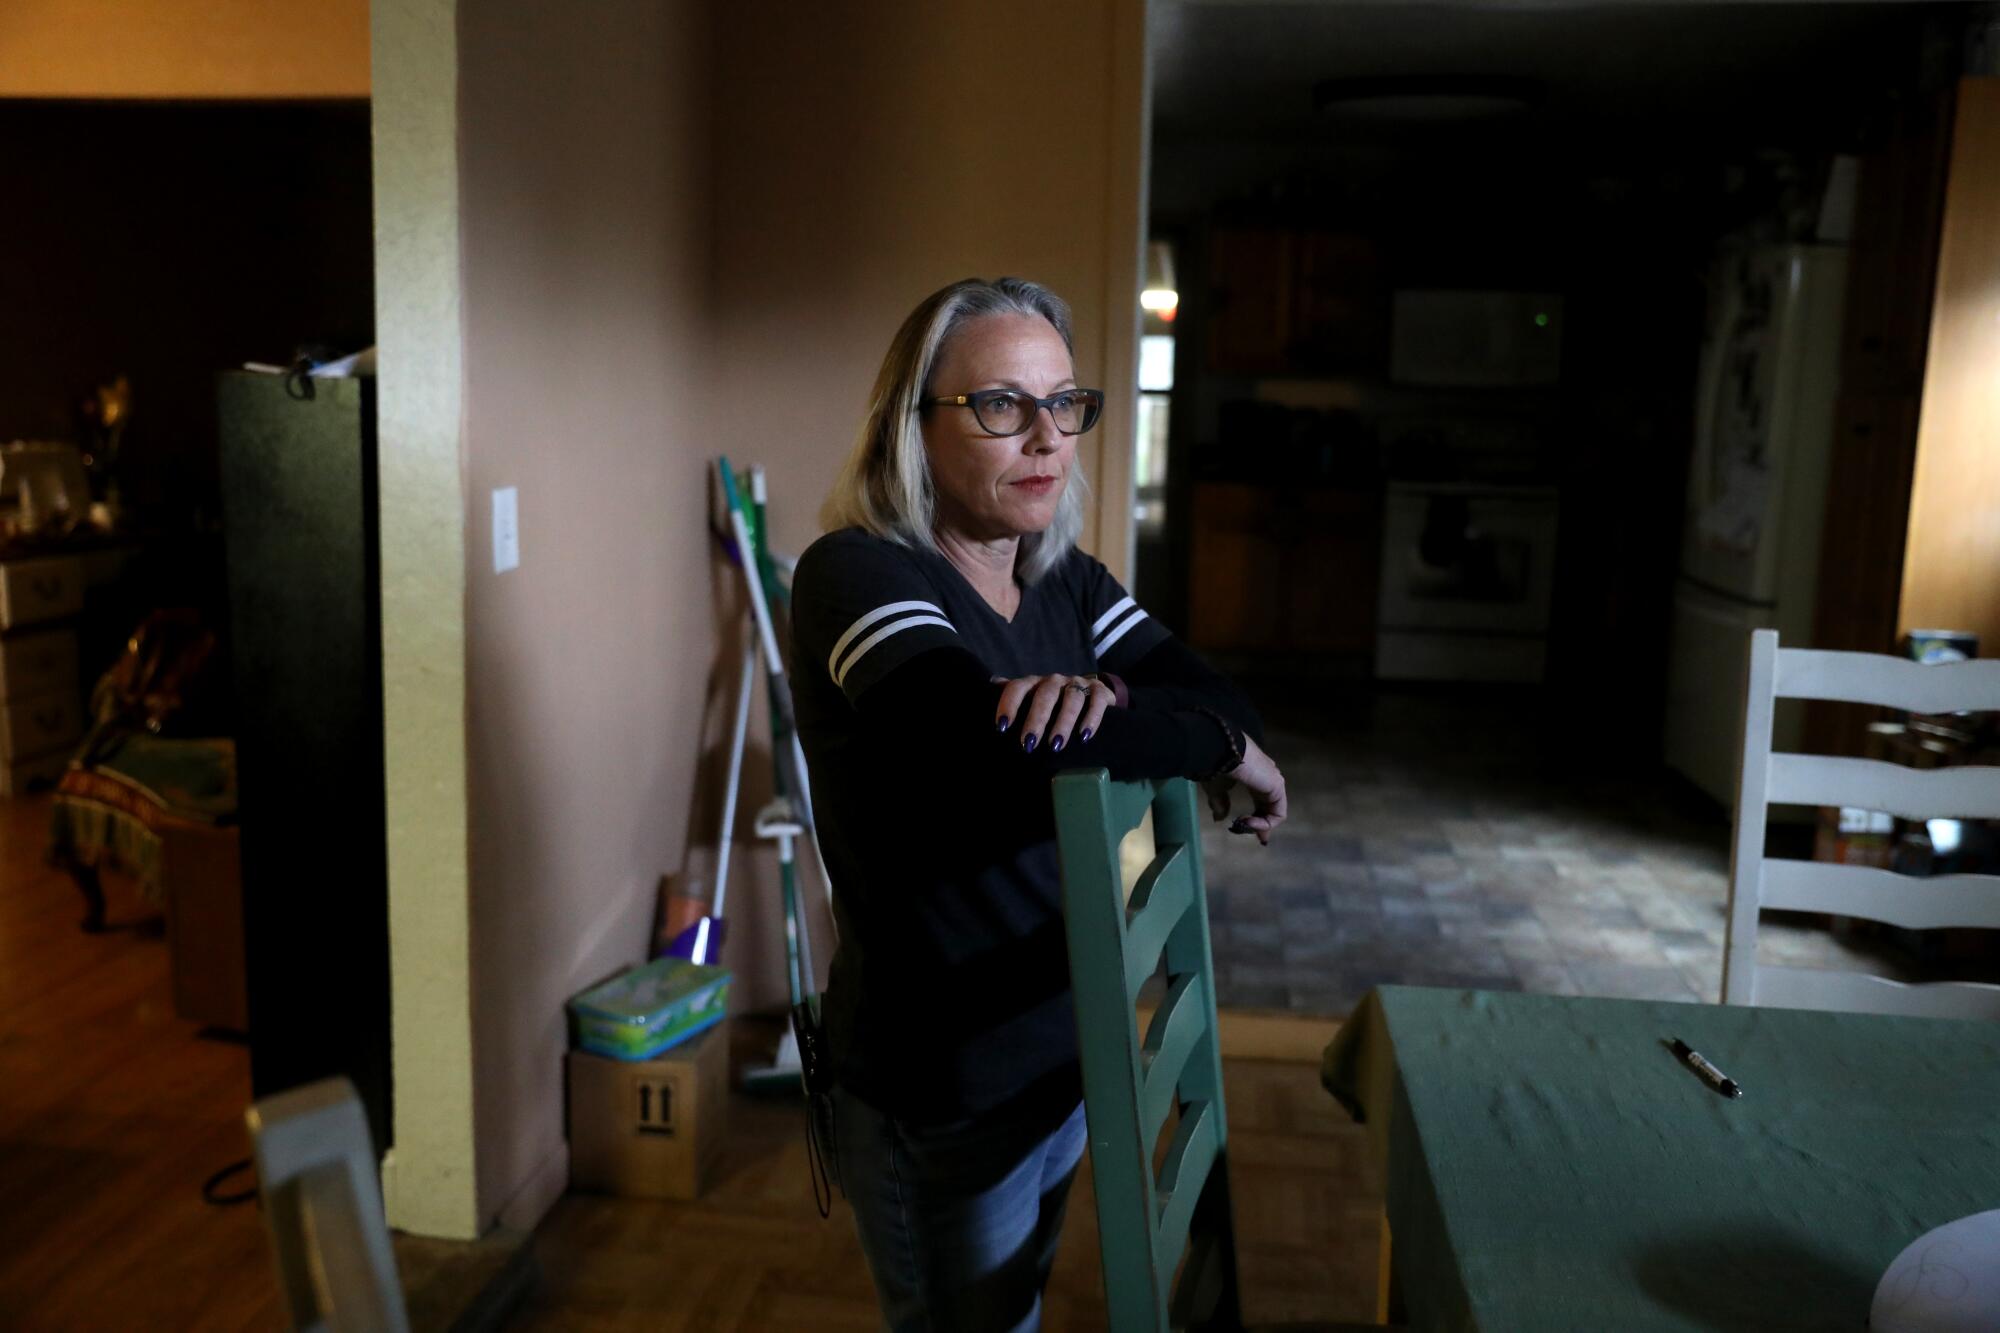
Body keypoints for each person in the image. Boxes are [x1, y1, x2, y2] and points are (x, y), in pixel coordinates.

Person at [790, 276, 1285, 1332]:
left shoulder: (1063, 582)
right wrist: (1194, 739)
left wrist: (1206, 732)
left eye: (1064, 404)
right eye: (1000, 405)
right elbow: (967, 742)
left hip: (1064, 1049)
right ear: (911, 427)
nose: (1047, 438)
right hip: (944, 1078)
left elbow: (1213, 697)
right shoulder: (858, 574)